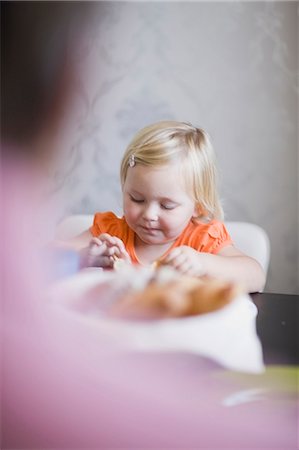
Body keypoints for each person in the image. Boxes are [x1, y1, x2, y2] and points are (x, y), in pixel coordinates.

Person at [62, 121, 266, 293]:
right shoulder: (111, 233)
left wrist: (202, 263)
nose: (149, 215)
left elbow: (256, 275)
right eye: (137, 199)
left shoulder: (202, 240)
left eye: (167, 206)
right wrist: (83, 258)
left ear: (198, 207)